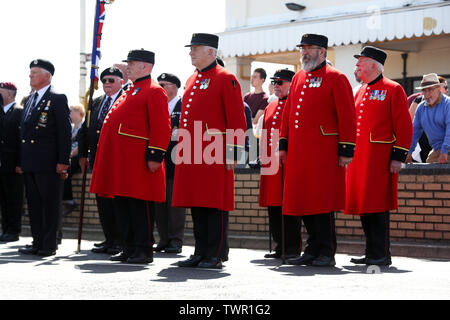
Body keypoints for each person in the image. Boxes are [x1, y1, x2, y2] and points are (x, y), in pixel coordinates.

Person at [278, 34, 356, 267]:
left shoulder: (336, 77)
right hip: (300, 152)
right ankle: (312, 249)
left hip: (324, 151)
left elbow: (347, 116)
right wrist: (284, 144)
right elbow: (288, 114)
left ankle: (326, 251)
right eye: (302, 48)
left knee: (322, 202)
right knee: (304, 200)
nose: (304, 52)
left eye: (309, 48)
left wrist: (346, 149)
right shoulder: (300, 76)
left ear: (322, 52)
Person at [173, 33, 247, 269]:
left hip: (216, 151)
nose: (191, 52)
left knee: (214, 204)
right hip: (193, 150)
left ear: (211, 52)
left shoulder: (226, 78)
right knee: (197, 202)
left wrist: (234, 152)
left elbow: (236, 117)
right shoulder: (192, 79)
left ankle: (214, 254)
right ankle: (200, 251)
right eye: (191, 48)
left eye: (196, 48)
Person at [89, 50, 171, 264]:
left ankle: (143, 250)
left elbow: (161, 126)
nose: (128, 67)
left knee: (139, 207)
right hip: (122, 160)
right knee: (123, 205)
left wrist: (155, 155)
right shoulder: (130, 90)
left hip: (138, 161)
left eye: (132, 64)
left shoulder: (154, 91)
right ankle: (128, 247)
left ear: (145, 66)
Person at [345, 46, 413, 266]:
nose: (357, 65)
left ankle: (381, 253)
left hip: (380, 158)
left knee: (377, 205)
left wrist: (398, 156)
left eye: (361, 61)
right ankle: (371, 251)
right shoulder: (361, 90)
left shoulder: (393, 89)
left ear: (374, 64)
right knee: (364, 206)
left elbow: (404, 125)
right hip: (360, 159)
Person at [18, 59, 72, 256]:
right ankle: (37, 241)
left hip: (49, 163)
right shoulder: (30, 99)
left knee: (49, 204)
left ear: (47, 76)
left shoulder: (57, 98)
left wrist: (63, 161)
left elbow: (64, 133)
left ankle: (48, 244)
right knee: (34, 205)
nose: (30, 76)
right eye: (30, 72)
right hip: (30, 162)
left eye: (34, 72)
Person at [78, 66, 124, 255]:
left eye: (111, 80)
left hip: (116, 160)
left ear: (122, 81)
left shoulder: (125, 100)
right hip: (97, 158)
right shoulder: (95, 102)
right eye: (104, 80)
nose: (106, 83)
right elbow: (84, 130)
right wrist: (82, 154)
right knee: (102, 201)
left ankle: (120, 241)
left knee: (116, 202)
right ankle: (109, 238)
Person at [258, 69, 301, 260]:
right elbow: (265, 134)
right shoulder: (270, 107)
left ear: (292, 84)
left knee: (289, 206)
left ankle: (292, 247)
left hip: (288, 163)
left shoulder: (296, 106)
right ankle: (279, 245)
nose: (276, 85)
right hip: (271, 164)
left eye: (281, 82)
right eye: (274, 82)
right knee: (273, 205)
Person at [154, 72, 186, 254]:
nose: (160, 88)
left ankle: (175, 239)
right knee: (159, 202)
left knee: (174, 204)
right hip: (158, 161)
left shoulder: (183, 107)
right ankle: (164, 238)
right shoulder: (158, 105)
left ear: (174, 86)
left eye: (163, 84)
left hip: (175, 161)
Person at [406, 73, 450, 164]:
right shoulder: (421, 107)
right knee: (428, 168)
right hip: (437, 149)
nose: (427, 94)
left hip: (446, 148)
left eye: (430, 90)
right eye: (424, 91)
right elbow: (415, 131)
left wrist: (445, 152)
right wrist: (408, 152)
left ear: (438, 89)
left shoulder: (448, 104)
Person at [0, 82, 24, 242]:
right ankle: (5, 229)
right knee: (3, 198)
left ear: (9, 93)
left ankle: (14, 230)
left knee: (14, 198)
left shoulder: (19, 112)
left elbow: (22, 139)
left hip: (13, 163)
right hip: (1, 162)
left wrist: (20, 163)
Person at [62, 104, 85, 215]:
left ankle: (70, 202)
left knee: (66, 170)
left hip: (77, 157)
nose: (69, 113)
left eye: (71, 111)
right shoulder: (71, 127)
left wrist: (70, 154)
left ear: (78, 112)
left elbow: (81, 144)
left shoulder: (83, 126)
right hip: (68, 155)